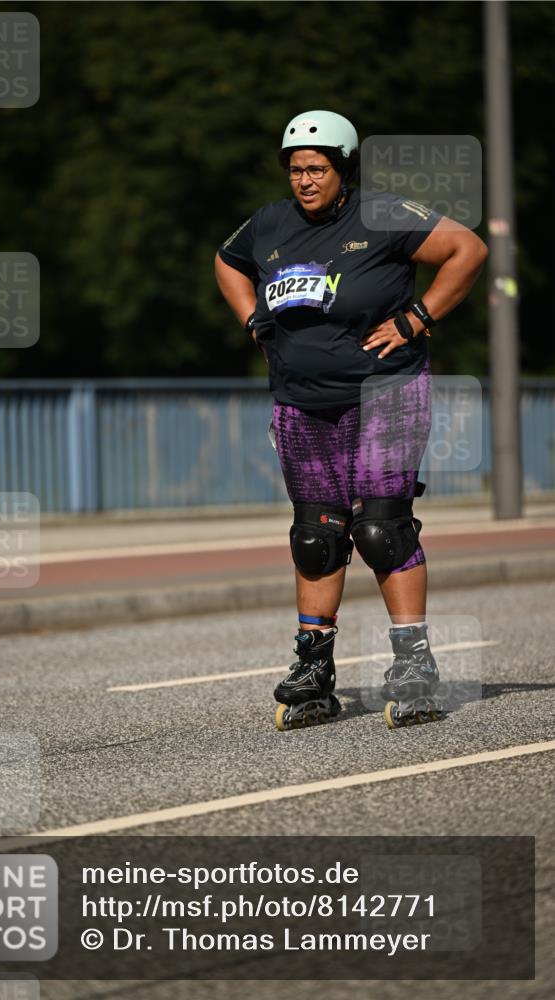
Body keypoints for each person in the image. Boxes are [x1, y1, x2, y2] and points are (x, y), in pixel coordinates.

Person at [215, 109, 488, 731]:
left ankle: (414, 666)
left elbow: (468, 251)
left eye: (317, 169)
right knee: (316, 537)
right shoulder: (269, 223)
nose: (305, 180)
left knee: (381, 531)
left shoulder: (385, 215)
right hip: (300, 400)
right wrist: (253, 318)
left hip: (386, 394)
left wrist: (418, 316)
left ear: (344, 168)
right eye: (296, 170)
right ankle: (314, 669)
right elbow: (227, 262)